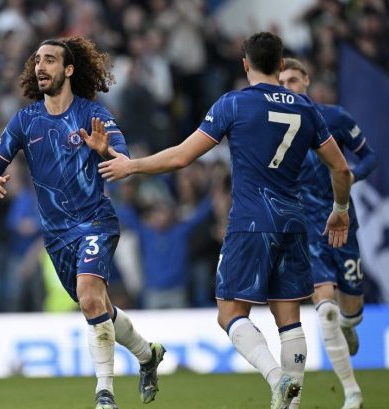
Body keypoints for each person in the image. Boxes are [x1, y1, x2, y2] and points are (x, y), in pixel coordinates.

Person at [98, 32, 352, 409]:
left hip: (251, 222)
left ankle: (276, 378)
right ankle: (291, 404)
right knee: (290, 319)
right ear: (282, 65)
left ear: (245, 63)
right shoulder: (306, 108)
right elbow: (342, 169)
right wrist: (340, 210)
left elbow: (183, 156)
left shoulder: (233, 104)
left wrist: (131, 165)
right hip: (294, 222)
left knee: (230, 313)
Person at [0, 37, 165, 409]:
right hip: (57, 236)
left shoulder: (91, 114)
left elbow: (123, 159)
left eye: (49, 60)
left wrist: (105, 150)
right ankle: (147, 356)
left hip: (96, 220)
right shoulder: (24, 119)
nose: (40, 67)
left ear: (68, 70)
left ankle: (105, 395)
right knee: (96, 306)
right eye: (37, 61)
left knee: (88, 295)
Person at [280, 58, 377, 409]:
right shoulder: (277, 126)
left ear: (307, 80)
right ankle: (352, 392)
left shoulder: (334, 117)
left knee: (351, 309)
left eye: (293, 79)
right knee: (325, 310)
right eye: (282, 81)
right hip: (306, 226)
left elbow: (369, 157)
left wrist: (351, 173)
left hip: (342, 220)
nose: (288, 86)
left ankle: (351, 325)